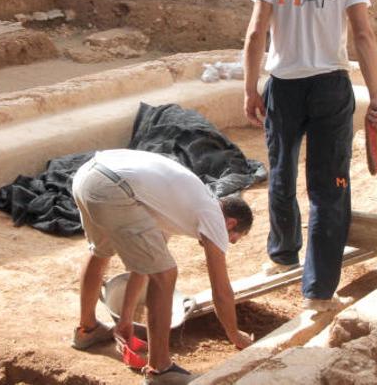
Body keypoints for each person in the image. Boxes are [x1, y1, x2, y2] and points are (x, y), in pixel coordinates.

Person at [242, 0, 377, 311]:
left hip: (284, 86)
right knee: (329, 186)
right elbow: (363, 34)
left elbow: (256, 32)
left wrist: (250, 88)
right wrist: (376, 96)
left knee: (282, 169)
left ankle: (283, 255)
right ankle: (319, 292)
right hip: (330, 86)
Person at [70, 149, 254, 385]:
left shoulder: (177, 204)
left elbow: (143, 267)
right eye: (233, 239)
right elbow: (221, 291)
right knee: (166, 274)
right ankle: (161, 369)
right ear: (231, 223)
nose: (227, 243)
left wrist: (125, 318)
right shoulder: (214, 218)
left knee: (100, 252)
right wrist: (234, 334)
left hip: (89, 176)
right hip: (114, 188)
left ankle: (87, 330)